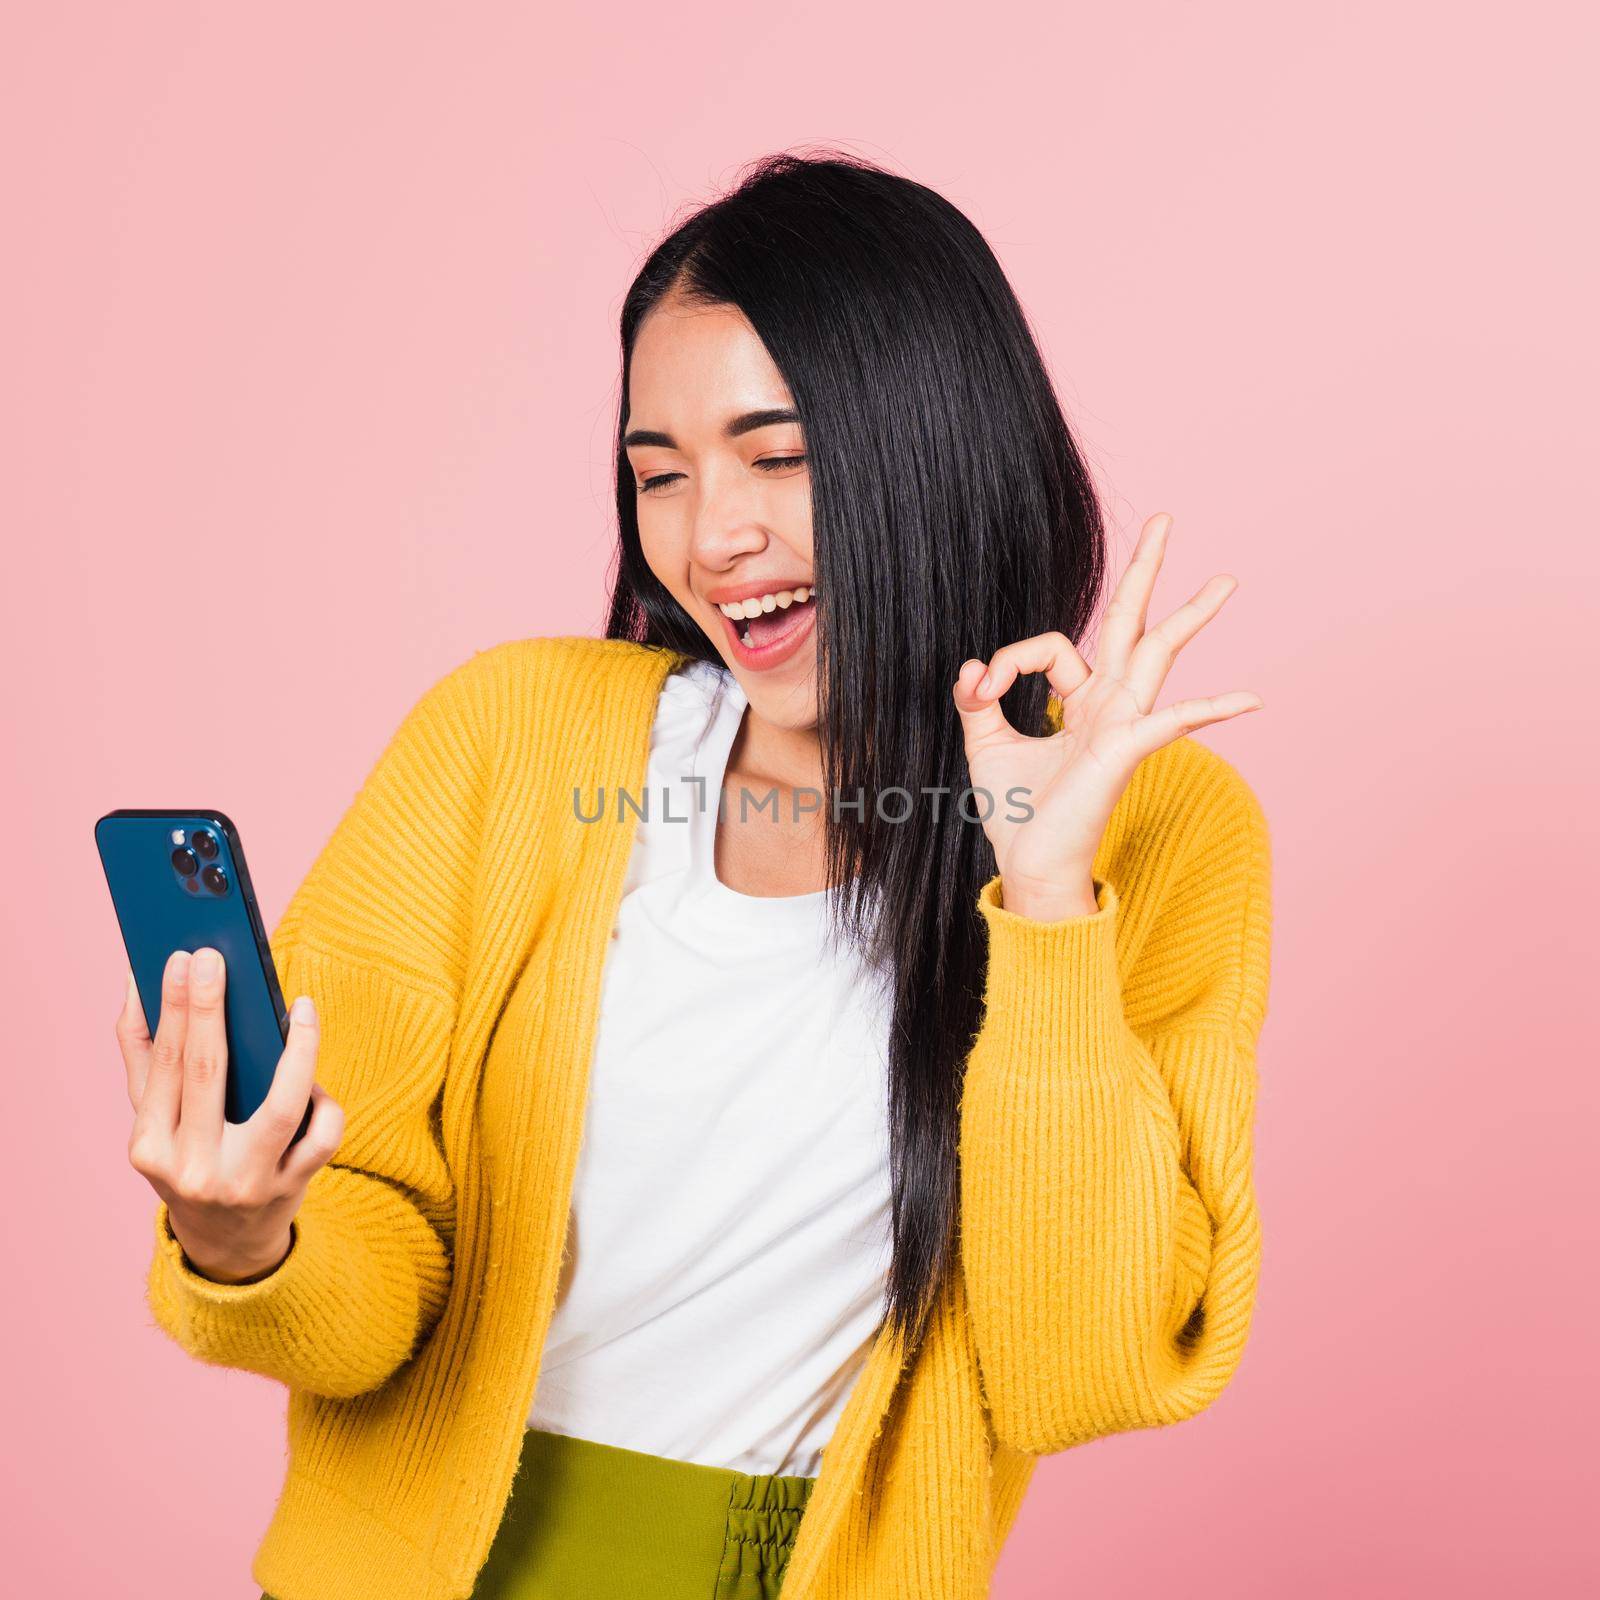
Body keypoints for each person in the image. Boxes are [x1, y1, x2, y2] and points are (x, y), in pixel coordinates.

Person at [117, 150, 1272, 1600]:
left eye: (776, 457)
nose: (708, 536)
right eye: (657, 471)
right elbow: (370, 1301)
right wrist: (247, 1237)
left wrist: (1045, 903)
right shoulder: (510, 740)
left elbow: (1077, 1370)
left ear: (935, 442)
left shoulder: (1159, 835)